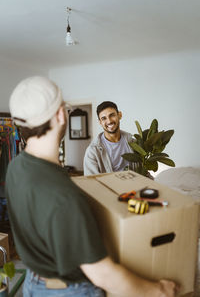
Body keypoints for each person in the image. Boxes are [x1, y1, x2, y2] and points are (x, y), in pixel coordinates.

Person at [6, 76, 178, 297]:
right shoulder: (63, 195)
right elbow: (102, 274)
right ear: (60, 115)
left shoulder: (16, 167)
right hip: (71, 291)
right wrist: (159, 290)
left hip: (34, 283)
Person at [84, 101, 135, 175]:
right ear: (100, 122)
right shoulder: (92, 151)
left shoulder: (133, 143)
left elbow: (143, 173)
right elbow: (91, 182)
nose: (109, 121)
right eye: (104, 118)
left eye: (112, 115)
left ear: (119, 115)